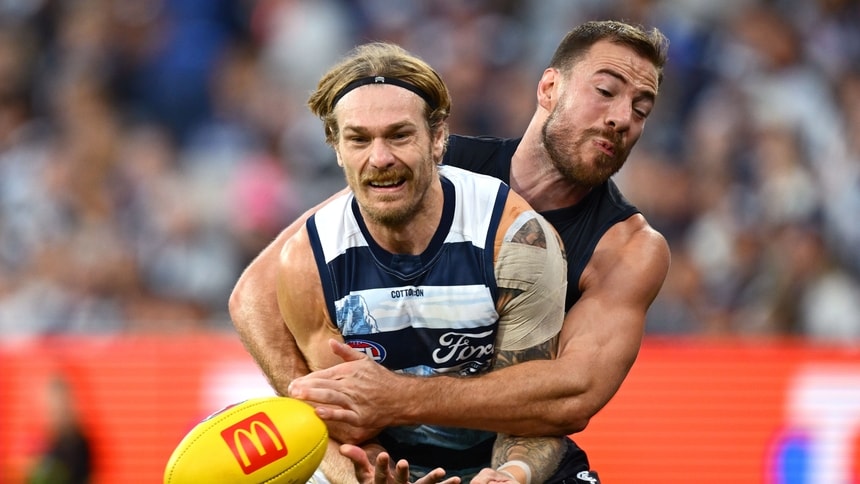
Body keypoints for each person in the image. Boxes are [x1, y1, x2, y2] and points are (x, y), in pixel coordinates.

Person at [230, 20, 671, 483]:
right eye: (605, 90)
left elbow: (570, 397)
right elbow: (255, 296)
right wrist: (325, 418)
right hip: (388, 453)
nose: (622, 117)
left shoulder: (628, 248)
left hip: (515, 446)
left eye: (642, 108)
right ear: (548, 87)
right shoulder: (426, 164)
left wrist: (395, 398)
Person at [276, 41, 575, 483]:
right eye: (359, 139)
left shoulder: (516, 241)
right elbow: (343, 423)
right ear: (336, 147)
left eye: (399, 135)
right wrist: (370, 474)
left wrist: (511, 474)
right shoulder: (308, 261)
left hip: (500, 460)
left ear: (438, 139)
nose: (379, 159)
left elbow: (537, 411)